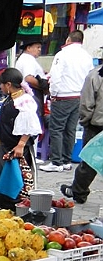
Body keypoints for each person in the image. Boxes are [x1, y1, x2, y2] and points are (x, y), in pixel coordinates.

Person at [0, 68, 42, 212]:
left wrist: (21, 145)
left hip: (16, 148)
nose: (1, 87)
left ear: (9, 84)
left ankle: (12, 209)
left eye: (2, 84)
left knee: (13, 179)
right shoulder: (12, 98)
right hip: (6, 146)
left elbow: (29, 125)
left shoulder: (25, 102)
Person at [40, 30, 93, 172]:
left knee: (57, 128)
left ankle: (56, 162)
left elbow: (56, 76)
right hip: (78, 96)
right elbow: (90, 77)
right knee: (70, 129)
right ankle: (66, 160)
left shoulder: (62, 54)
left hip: (63, 95)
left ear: (68, 39)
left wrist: (53, 93)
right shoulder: (87, 56)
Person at [61, 63, 103, 204]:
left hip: (97, 125)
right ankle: (78, 190)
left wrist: (85, 121)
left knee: (90, 160)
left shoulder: (96, 75)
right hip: (97, 123)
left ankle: (79, 191)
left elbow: (86, 104)